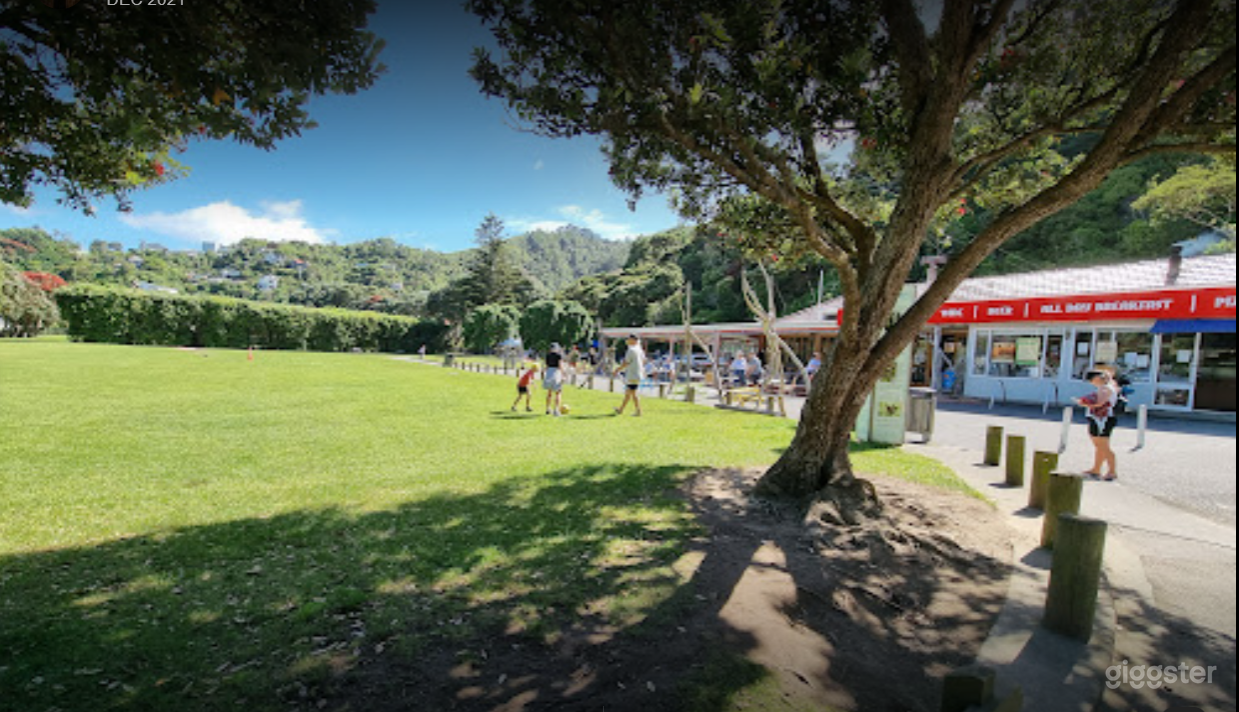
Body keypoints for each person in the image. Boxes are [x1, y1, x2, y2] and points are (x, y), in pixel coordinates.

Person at [1075, 369, 1119, 480]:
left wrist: (1083, 403)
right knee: (1099, 446)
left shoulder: (1105, 388)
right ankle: (1096, 469)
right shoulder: (1108, 386)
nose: (1091, 383)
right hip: (1101, 418)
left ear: (1096, 378)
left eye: (1091, 380)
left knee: (1103, 445)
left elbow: (1099, 403)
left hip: (1102, 419)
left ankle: (1112, 471)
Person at [613, 334, 645, 417]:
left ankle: (638, 411)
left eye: (629, 339)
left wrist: (617, 369)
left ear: (633, 340)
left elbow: (626, 362)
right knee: (629, 393)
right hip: (637, 374)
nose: (627, 341)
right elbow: (643, 360)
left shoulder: (631, 350)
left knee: (633, 393)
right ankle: (621, 409)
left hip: (633, 375)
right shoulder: (639, 350)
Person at [544, 343, 566, 416]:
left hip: (549, 373)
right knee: (558, 392)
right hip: (556, 372)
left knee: (549, 392)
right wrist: (563, 375)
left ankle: (547, 408)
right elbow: (560, 365)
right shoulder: (558, 356)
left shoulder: (548, 356)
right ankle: (556, 410)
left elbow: (546, 366)